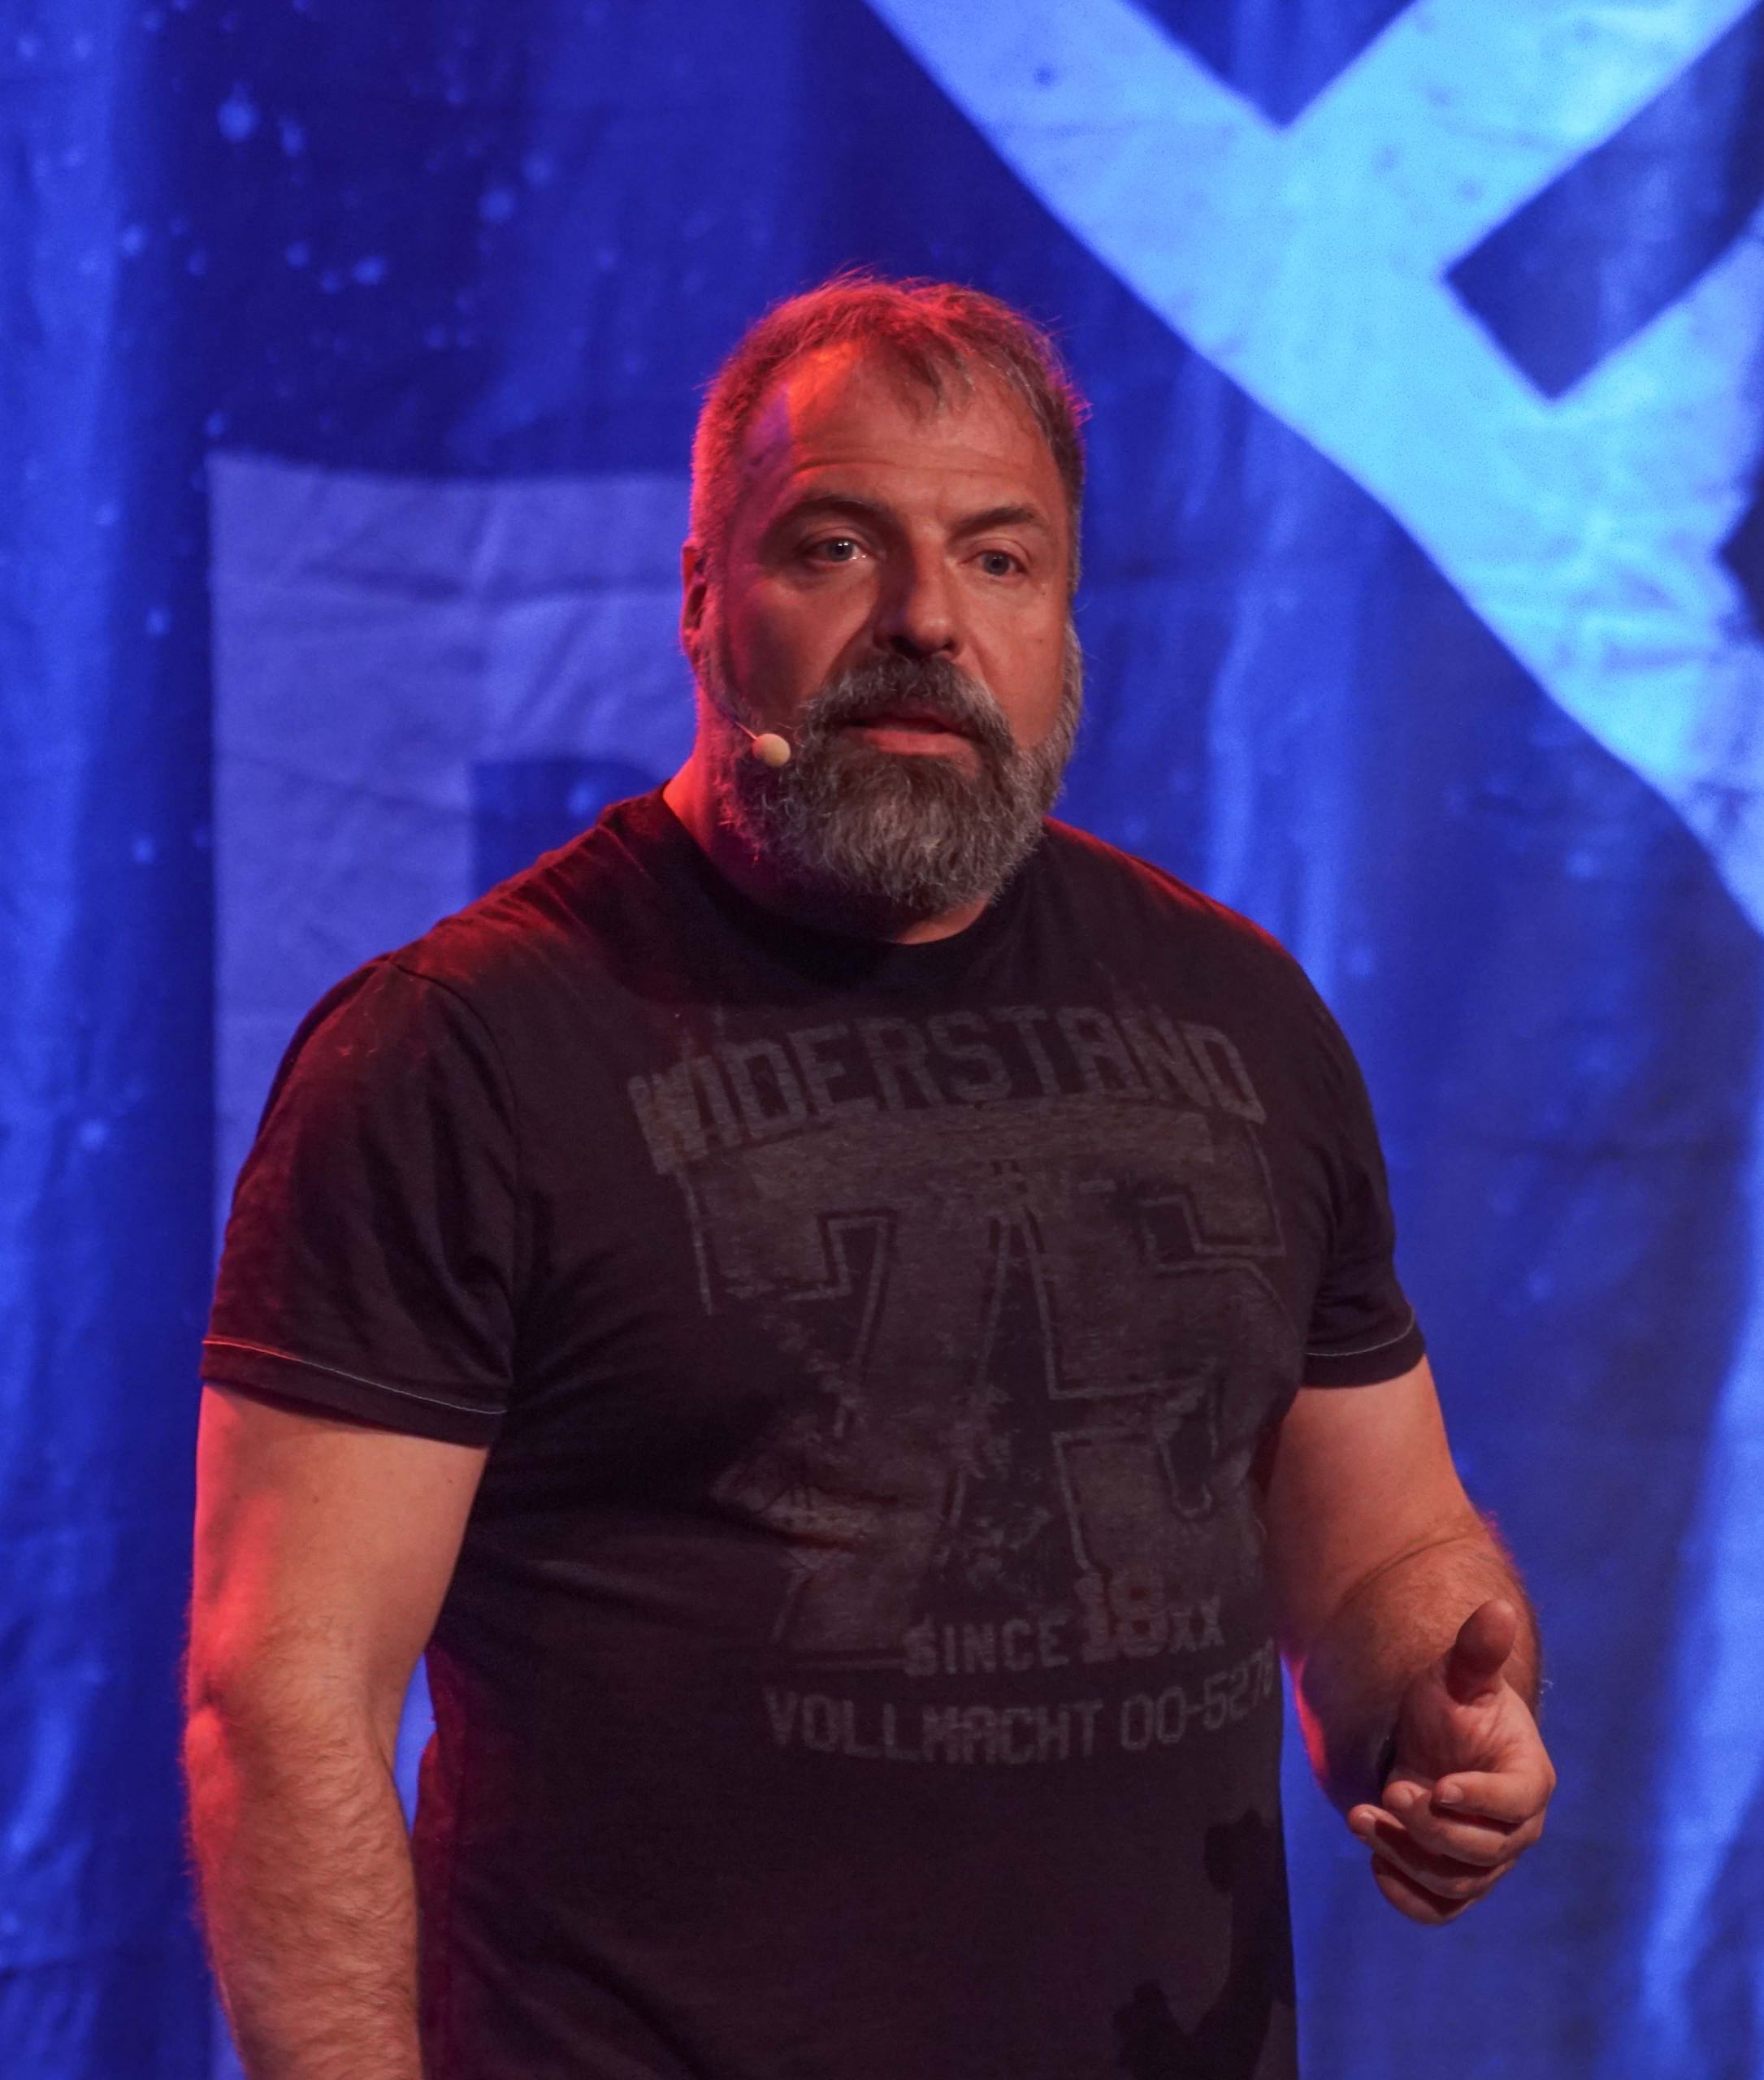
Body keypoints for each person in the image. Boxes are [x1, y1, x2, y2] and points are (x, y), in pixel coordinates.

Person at [184, 274, 1555, 2080]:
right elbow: (279, 1698)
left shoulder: (1242, 1015)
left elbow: (1383, 1544)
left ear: (1066, 625)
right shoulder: (458, 1053)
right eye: (837, 546)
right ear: (701, 595)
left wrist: (1441, 1709)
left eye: (1000, 559)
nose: (925, 618)